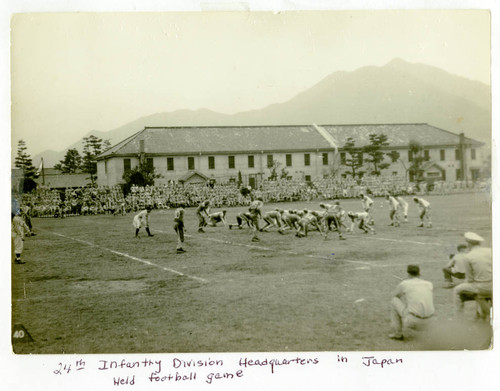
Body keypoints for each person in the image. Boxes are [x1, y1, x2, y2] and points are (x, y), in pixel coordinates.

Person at [389, 265, 434, 340]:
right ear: (419, 273)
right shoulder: (429, 284)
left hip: (413, 322)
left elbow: (395, 296)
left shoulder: (405, 283)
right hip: (431, 322)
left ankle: (397, 333)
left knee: (394, 301)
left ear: (408, 274)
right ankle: (430, 333)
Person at [453, 232, 492, 319]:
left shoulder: (469, 256)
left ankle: (458, 318)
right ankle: (480, 313)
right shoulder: (490, 251)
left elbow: (470, 279)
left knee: (457, 290)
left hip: (481, 287)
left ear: (468, 244)